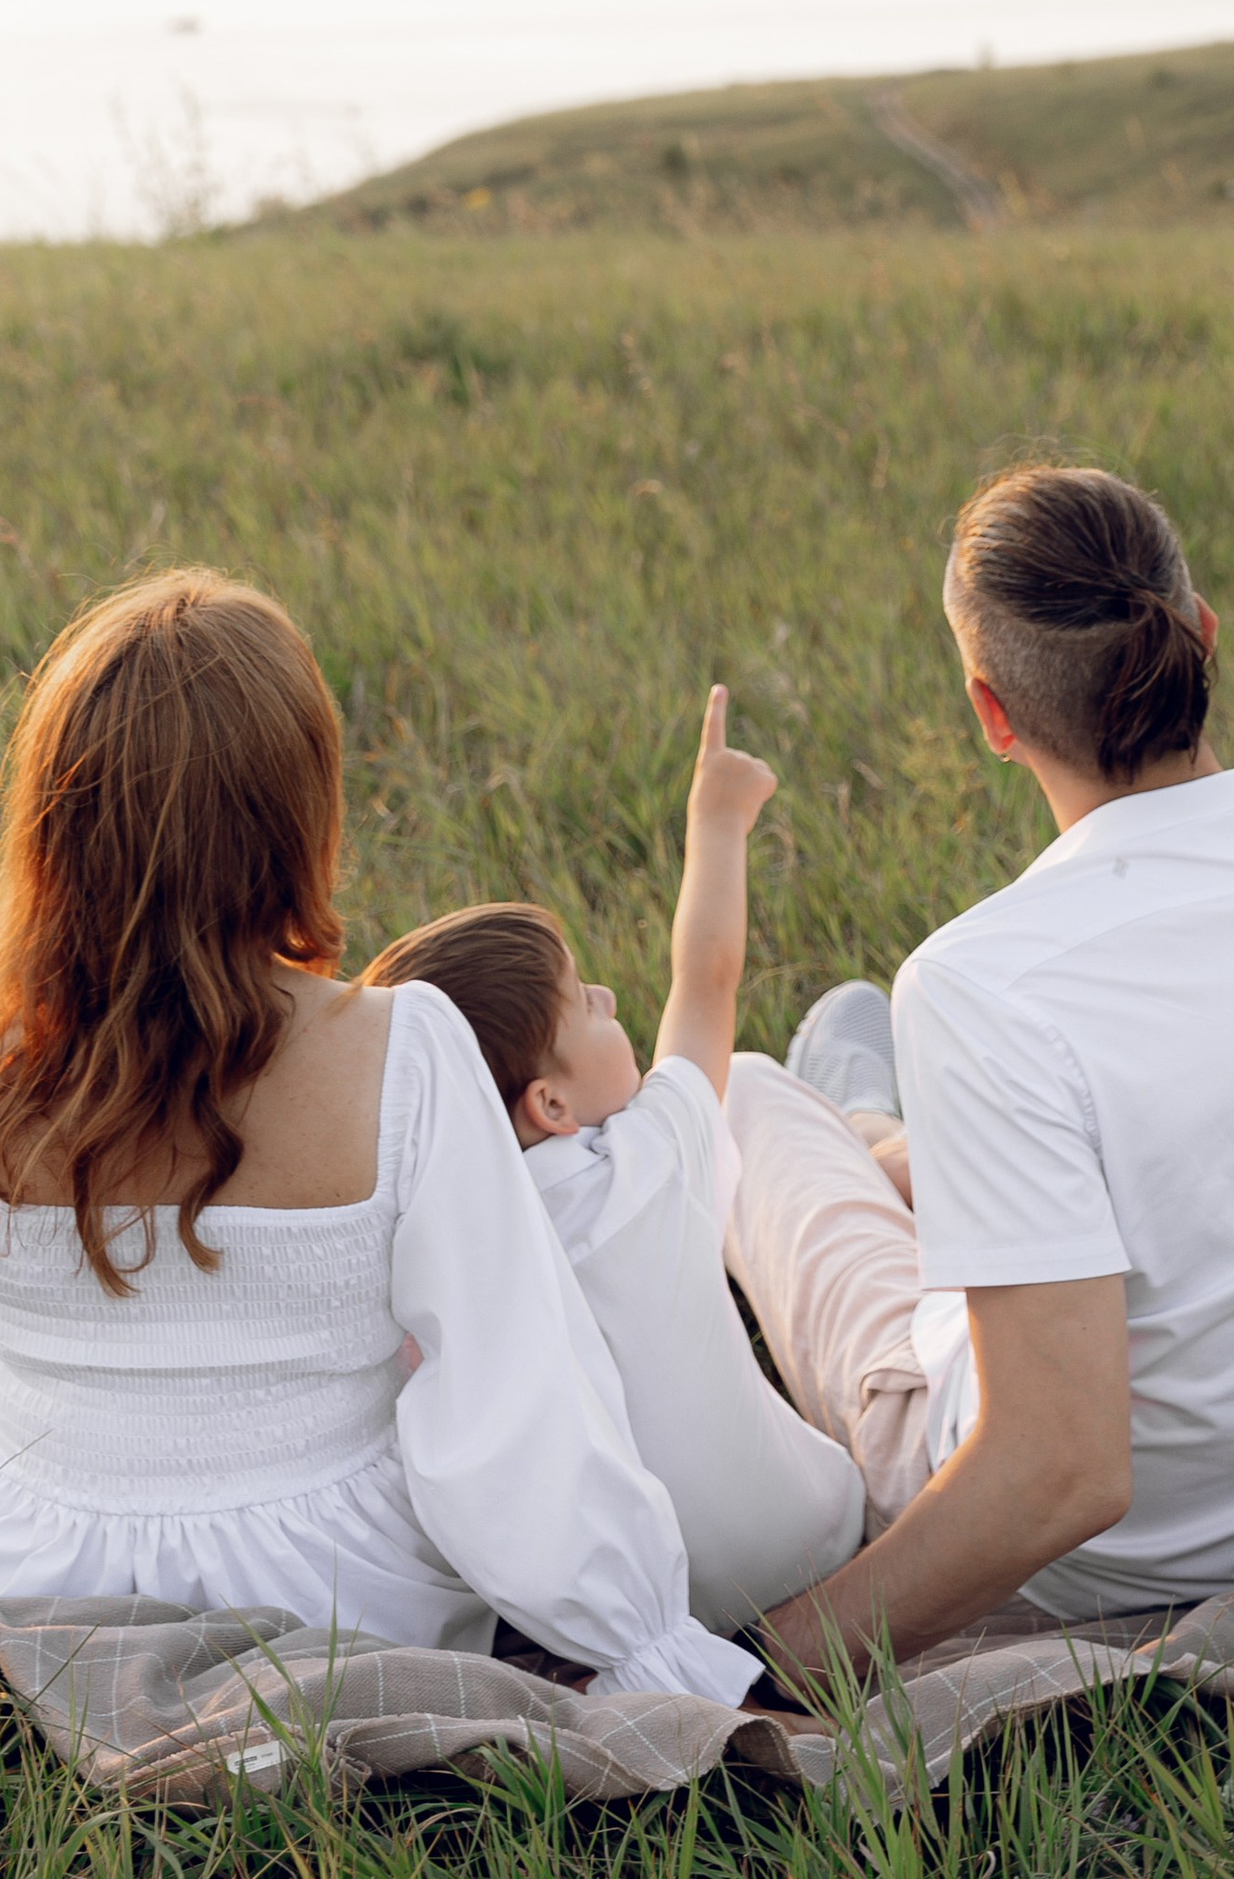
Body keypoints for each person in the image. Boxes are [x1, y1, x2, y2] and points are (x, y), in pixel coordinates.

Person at [0, 570, 759, 1707]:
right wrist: (637, 1635)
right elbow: (513, 1407)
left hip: (30, 1552)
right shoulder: (405, 1053)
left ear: (49, 831)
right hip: (333, 1590)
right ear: (298, 816)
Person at [730, 465, 1234, 1682]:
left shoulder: (985, 982)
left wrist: (755, 1665)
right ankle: (878, 1130)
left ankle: (850, 1120)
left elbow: (1056, 1477)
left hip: (1091, 1567)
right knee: (912, 1102)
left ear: (990, 712)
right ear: (1204, 636)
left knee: (741, 1096)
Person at [366, 686, 865, 1630]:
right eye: (583, 1004)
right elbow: (706, 979)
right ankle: (870, 1124)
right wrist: (716, 819)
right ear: (549, 1105)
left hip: (637, 1614)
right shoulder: (643, 1159)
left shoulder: (433, 1251)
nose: (604, 991)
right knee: (750, 1082)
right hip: (816, 1546)